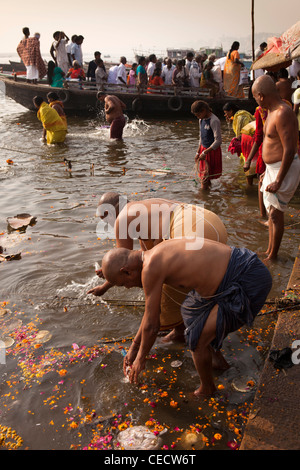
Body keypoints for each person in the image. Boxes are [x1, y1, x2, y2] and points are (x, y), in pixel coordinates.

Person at [99, 238, 272, 396]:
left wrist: (140, 360)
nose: (128, 287)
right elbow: (148, 316)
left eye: (124, 284)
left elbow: (152, 325)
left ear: (127, 271)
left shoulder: (150, 268)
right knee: (191, 311)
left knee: (196, 340)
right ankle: (217, 361)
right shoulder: (154, 253)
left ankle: (207, 389)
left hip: (247, 278)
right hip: (243, 265)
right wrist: (134, 348)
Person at [88, 193, 227, 342]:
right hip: (211, 222)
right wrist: (108, 273)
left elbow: (123, 268)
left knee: (159, 281)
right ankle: (183, 328)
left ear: (110, 212)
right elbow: (141, 257)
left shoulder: (122, 219)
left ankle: (182, 333)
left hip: (194, 232)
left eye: (106, 219)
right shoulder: (143, 207)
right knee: (169, 277)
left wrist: (104, 287)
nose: (109, 224)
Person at [251, 74, 300, 260]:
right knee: (271, 213)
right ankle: (269, 250)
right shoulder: (271, 111)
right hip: (273, 168)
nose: (256, 100)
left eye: (255, 97)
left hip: (284, 169)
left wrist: (278, 180)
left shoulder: (282, 112)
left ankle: (273, 256)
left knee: (275, 215)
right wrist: (266, 171)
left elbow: (290, 149)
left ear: (261, 95)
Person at [192, 101, 222, 190]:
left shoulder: (214, 120)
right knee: (205, 177)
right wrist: (197, 152)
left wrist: (205, 152)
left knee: (204, 178)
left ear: (204, 110)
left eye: (198, 114)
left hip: (211, 151)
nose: (197, 117)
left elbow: (218, 141)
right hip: (203, 150)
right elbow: (201, 137)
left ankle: (203, 196)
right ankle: (207, 197)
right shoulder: (201, 120)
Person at [243, 105, 267, 216]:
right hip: (273, 154)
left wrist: (248, 160)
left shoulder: (260, 110)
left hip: (266, 153)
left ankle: (263, 215)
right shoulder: (287, 105)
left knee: (262, 182)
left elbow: (258, 137)